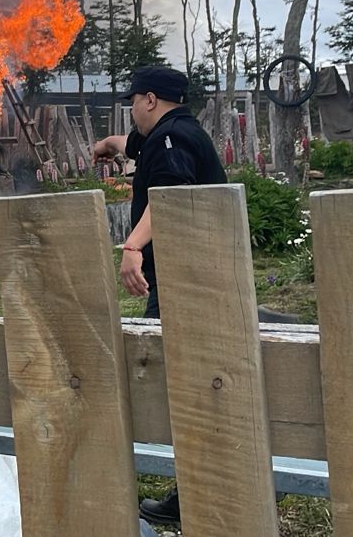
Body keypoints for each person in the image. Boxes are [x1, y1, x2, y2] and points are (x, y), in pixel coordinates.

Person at [92, 66, 225, 529]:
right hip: (192, 278)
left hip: (187, 283)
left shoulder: (169, 140)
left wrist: (132, 246)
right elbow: (138, 147)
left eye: (132, 102)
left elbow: (170, 193)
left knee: (189, 387)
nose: (131, 111)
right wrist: (109, 145)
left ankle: (197, 496)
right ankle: (196, 491)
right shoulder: (175, 132)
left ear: (149, 100)